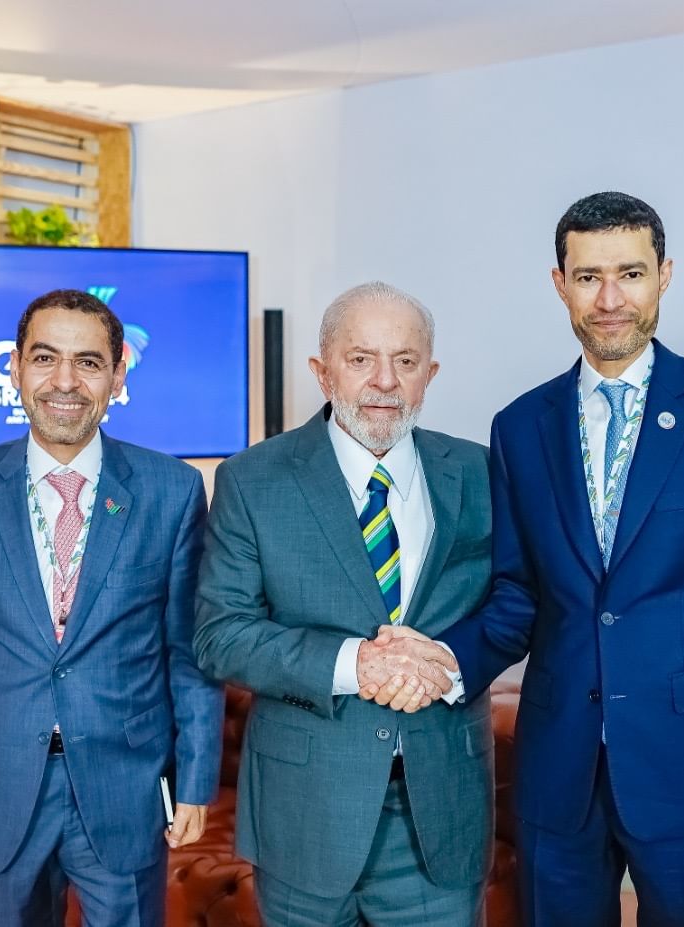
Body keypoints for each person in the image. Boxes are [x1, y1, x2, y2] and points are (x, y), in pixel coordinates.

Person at [386, 192, 684, 926]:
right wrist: (442, 662)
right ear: (560, 284)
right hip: (558, 771)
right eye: (588, 277)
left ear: (664, 275)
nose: (610, 300)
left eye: (630, 274)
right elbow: (519, 596)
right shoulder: (521, 426)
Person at [0, 288, 223, 927]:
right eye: (45, 358)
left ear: (117, 377)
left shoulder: (172, 490)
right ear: (16, 368)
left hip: (125, 785)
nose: (64, 381)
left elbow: (189, 655)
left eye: (88, 362)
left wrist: (194, 783)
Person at [193, 281, 493, 927]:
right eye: (361, 359)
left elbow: (517, 606)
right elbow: (221, 634)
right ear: (321, 370)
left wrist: (448, 663)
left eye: (405, 360)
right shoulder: (252, 479)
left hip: (439, 810)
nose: (384, 381)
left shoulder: (482, 472)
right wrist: (355, 663)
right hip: (304, 812)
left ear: (430, 374)